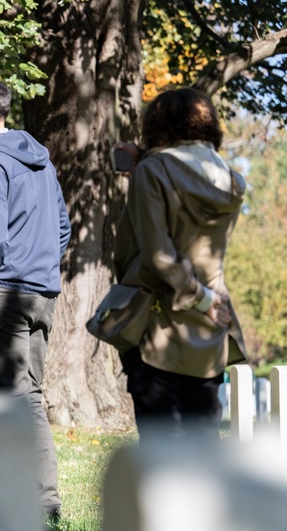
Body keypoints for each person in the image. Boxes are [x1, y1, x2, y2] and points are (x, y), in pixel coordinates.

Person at [0, 77, 71, 519]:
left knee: (9, 402)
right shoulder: (41, 160)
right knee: (31, 398)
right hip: (43, 291)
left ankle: (24, 501)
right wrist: (39, 264)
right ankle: (44, 501)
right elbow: (62, 228)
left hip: (5, 293)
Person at [112, 88, 247, 445]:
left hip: (158, 318)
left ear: (158, 123)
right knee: (203, 439)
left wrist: (144, 167)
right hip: (212, 320)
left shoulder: (153, 171)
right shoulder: (233, 180)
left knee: (162, 449)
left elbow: (158, 254)